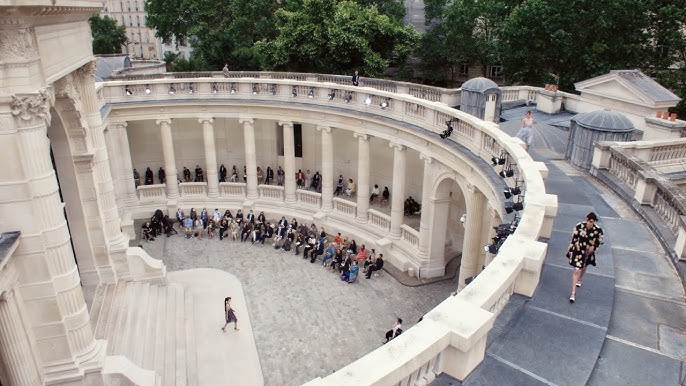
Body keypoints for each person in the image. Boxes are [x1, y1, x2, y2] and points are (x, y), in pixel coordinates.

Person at [567, 212, 603, 303]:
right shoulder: (579, 226)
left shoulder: (598, 230)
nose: (590, 223)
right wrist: (570, 248)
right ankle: (573, 292)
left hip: (588, 253)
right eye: (589, 221)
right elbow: (574, 238)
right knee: (576, 269)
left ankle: (580, 278)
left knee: (584, 267)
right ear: (586, 219)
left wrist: (593, 247)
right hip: (578, 251)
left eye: (592, 221)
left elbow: (600, 241)